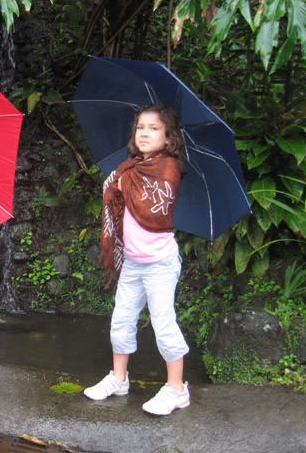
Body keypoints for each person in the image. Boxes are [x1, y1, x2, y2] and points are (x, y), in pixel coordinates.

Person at [83, 103, 190, 416]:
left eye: (154, 128)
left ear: (168, 137)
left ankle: (177, 389)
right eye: (140, 127)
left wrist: (123, 186)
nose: (144, 133)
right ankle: (119, 379)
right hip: (132, 262)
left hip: (160, 264)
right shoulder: (129, 168)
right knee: (121, 321)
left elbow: (153, 208)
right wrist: (117, 186)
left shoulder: (169, 167)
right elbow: (117, 195)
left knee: (163, 324)